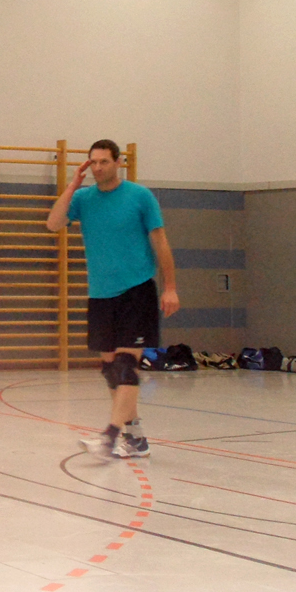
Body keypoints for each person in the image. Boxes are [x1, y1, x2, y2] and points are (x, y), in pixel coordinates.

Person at [46, 139, 179, 459]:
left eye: (104, 162)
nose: (98, 168)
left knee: (126, 364)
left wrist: (170, 287)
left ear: (118, 162)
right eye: (93, 162)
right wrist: (73, 185)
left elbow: (160, 241)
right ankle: (135, 437)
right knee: (110, 369)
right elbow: (53, 224)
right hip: (101, 294)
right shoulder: (83, 198)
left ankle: (110, 435)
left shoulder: (140, 196)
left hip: (136, 289)